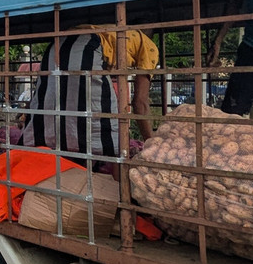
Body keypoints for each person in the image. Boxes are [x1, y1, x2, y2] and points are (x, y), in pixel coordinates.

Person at [22, 25, 159, 163]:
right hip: (87, 49)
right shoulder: (149, 45)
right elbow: (140, 101)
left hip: (55, 47)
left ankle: (47, 163)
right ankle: (118, 180)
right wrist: (153, 147)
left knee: (53, 113)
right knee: (111, 126)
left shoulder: (112, 31)